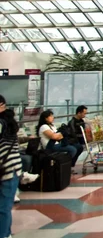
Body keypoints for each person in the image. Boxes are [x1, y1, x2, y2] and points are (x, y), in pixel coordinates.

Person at [0, 96, 22, 238]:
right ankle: (6, 234)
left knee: (3, 208)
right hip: (12, 167)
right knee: (4, 207)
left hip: (6, 168)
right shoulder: (9, 122)